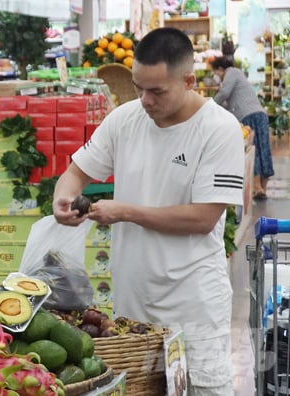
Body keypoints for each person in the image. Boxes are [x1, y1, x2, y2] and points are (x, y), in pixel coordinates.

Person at [52, 27, 244, 395]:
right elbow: (76, 172)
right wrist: (64, 197)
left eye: (157, 91)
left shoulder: (218, 129)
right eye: (139, 88)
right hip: (132, 306)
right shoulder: (125, 119)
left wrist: (126, 212)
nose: (145, 100)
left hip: (194, 306)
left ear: (189, 81)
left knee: (203, 389)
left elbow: (203, 218)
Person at [212, 55, 274, 200]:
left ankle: (258, 187)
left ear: (221, 69)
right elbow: (229, 104)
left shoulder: (231, 72)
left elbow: (224, 93)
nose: (215, 76)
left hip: (249, 116)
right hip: (259, 114)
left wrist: (209, 106)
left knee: (254, 149)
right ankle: (262, 188)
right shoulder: (237, 76)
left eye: (215, 73)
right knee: (263, 149)